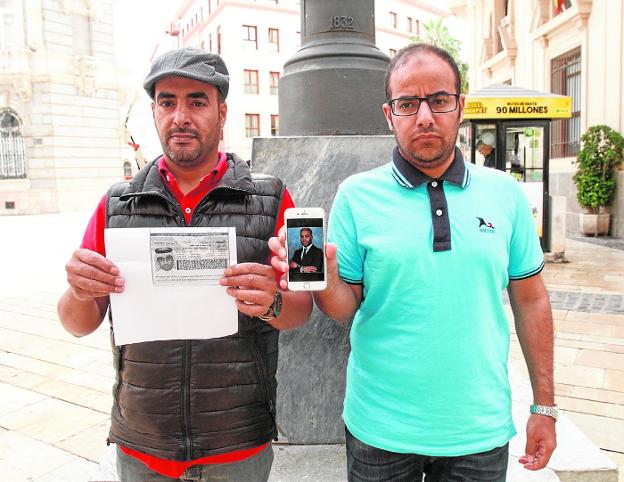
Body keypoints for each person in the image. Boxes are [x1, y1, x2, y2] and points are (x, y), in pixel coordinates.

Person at [271, 43, 556, 482]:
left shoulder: (505, 194)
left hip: (478, 432)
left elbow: (532, 300)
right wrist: (323, 277)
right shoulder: (356, 195)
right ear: (390, 115)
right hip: (379, 431)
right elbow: (345, 308)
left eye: (438, 101)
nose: (424, 117)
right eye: (408, 104)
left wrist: (545, 406)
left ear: (460, 107)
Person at [57, 48, 312, 482]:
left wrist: (271, 302)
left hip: (237, 444)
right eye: (167, 101)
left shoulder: (271, 199)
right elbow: (77, 322)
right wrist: (80, 289)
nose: (180, 116)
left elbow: (299, 312)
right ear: (154, 111)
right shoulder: (116, 203)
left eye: (197, 101)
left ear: (222, 111)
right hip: (144, 445)